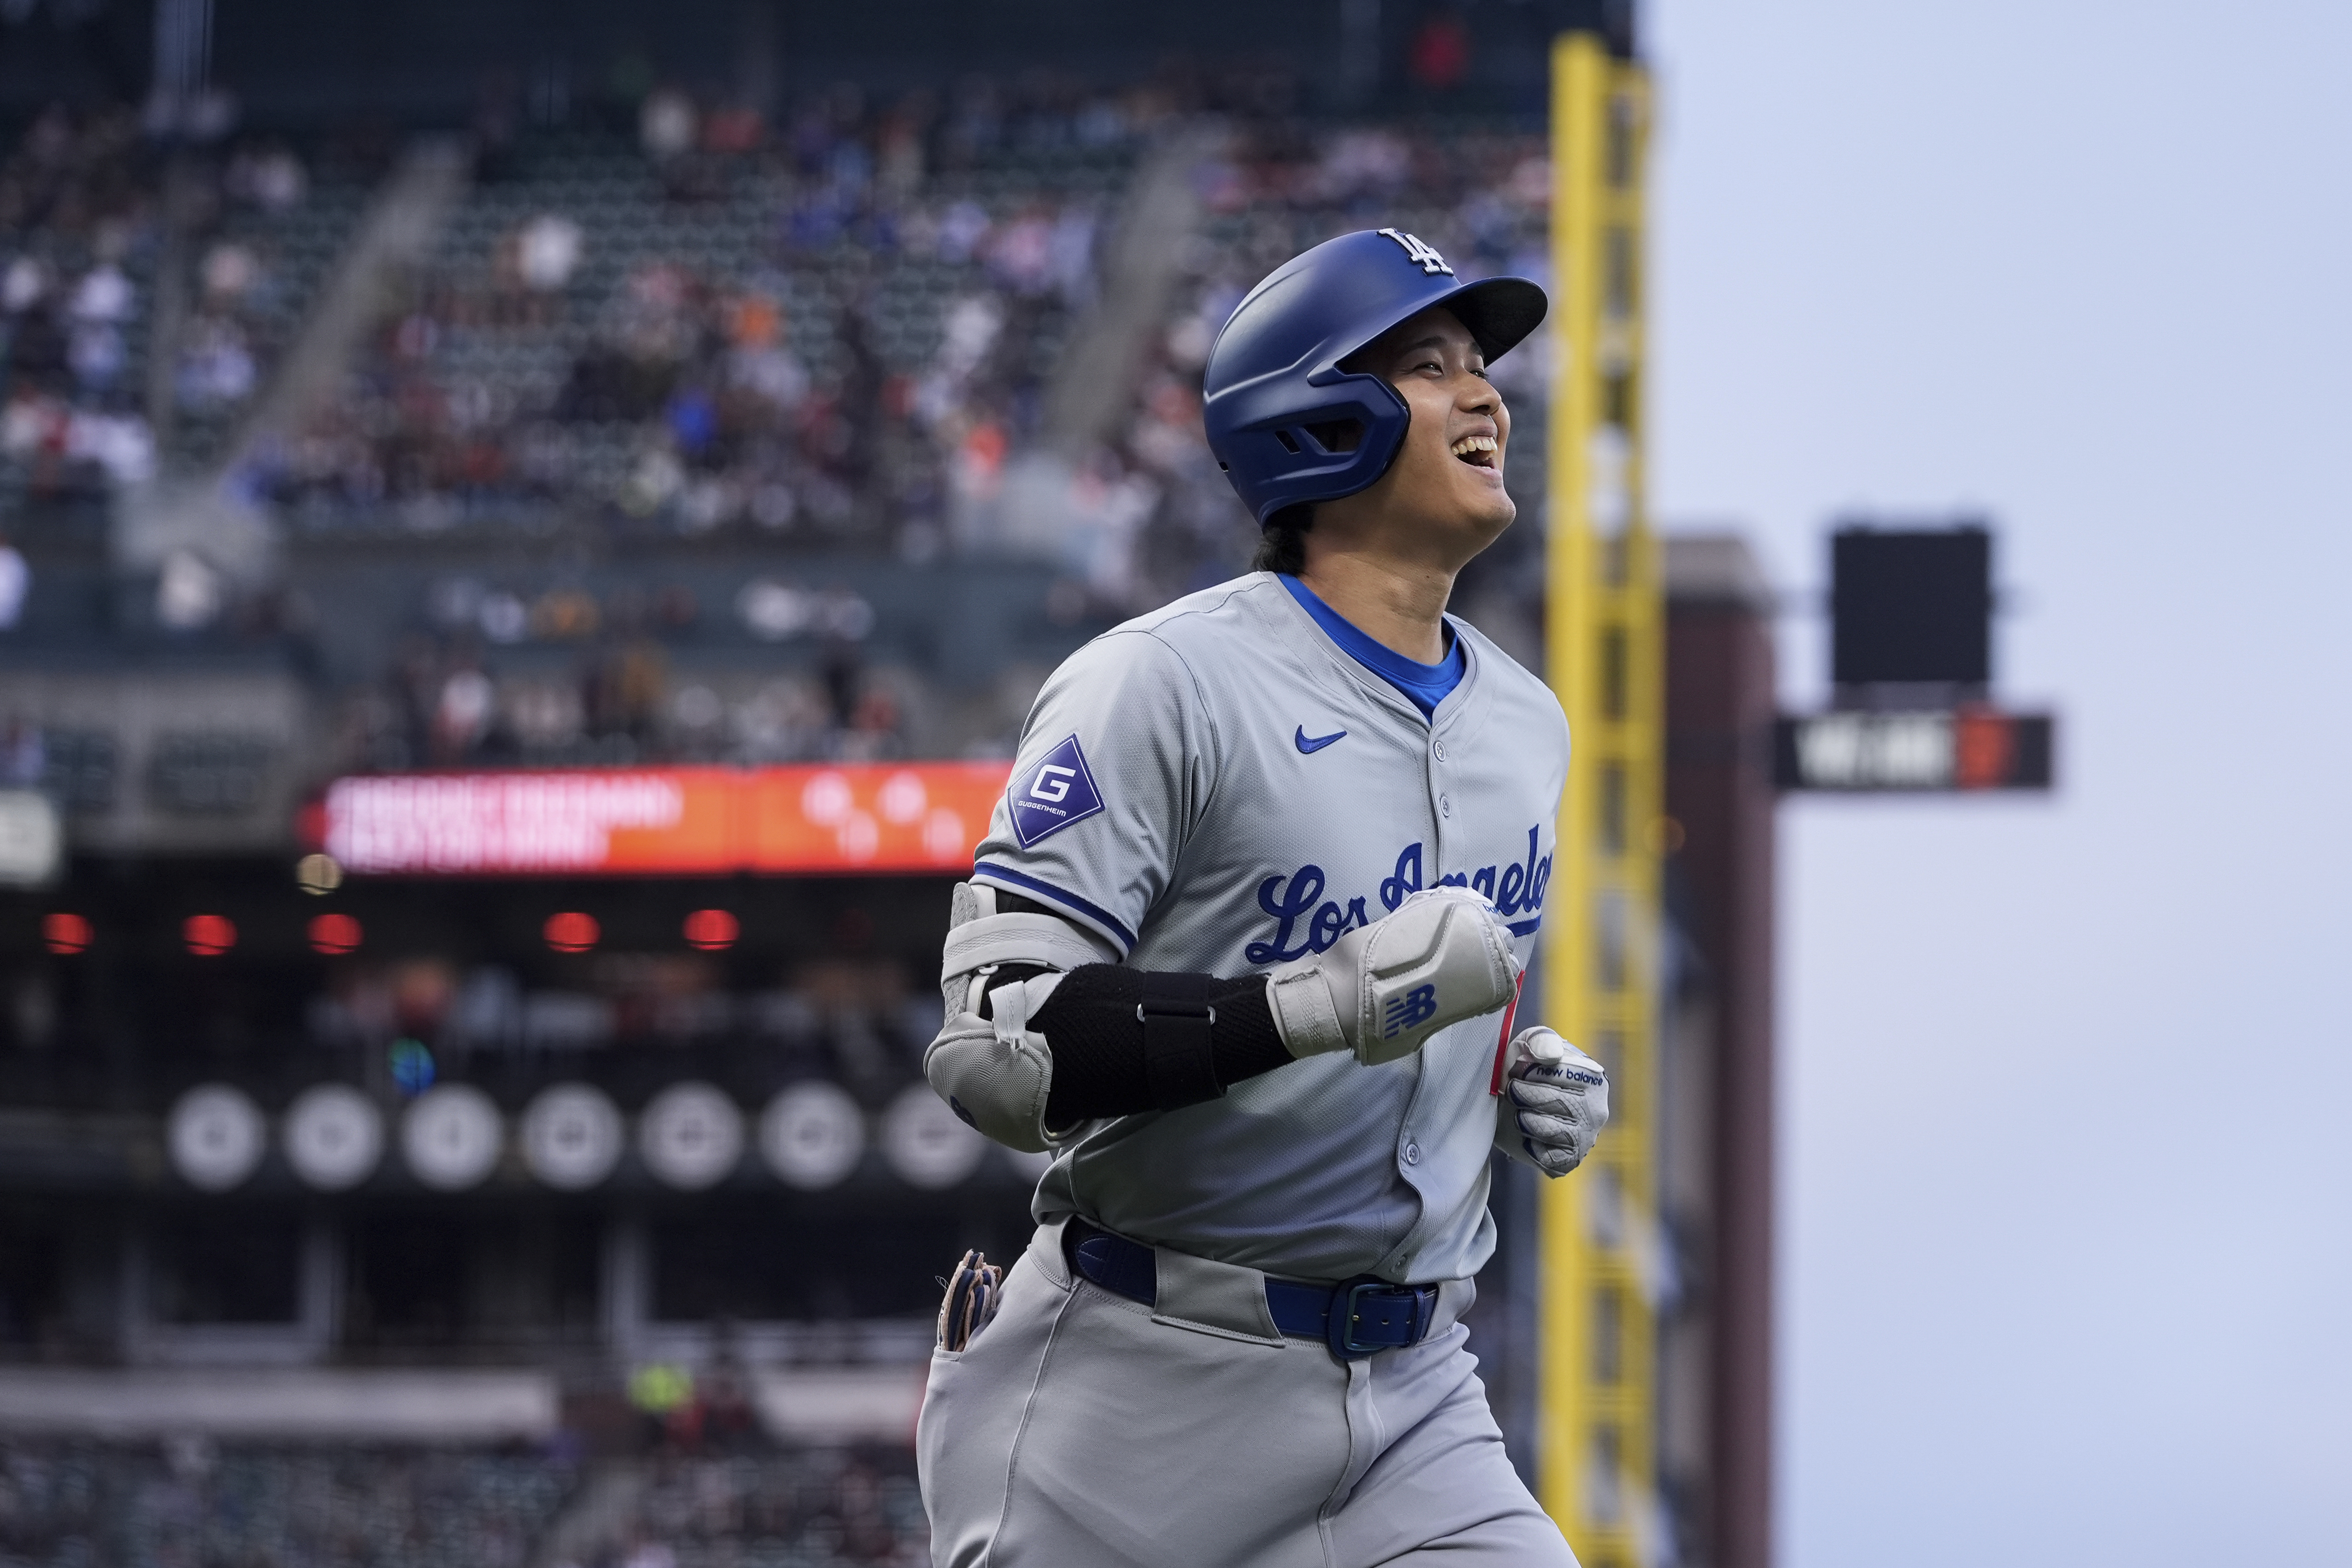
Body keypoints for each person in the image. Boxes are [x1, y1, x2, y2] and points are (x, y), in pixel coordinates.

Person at [917, 228, 1612, 1566]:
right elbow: (994, 1048)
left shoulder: (1527, 723)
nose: (1486, 397)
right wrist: (1310, 1010)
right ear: (1317, 419)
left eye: (1483, 366)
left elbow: (1416, 994)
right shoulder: (1160, 682)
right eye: (1429, 365)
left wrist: (1499, 1081)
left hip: (1413, 1392)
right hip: (1139, 1391)